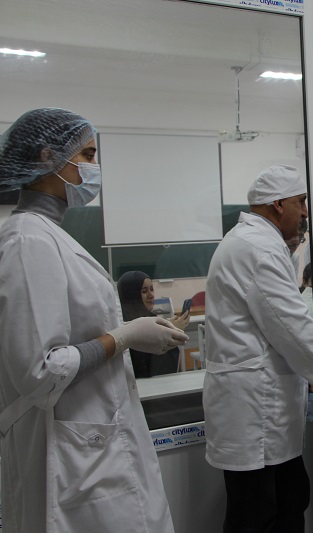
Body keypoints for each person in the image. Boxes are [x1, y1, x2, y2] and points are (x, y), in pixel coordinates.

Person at [0, 107, 188, 532]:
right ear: (48, 157)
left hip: (93, 445)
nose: (94, 166)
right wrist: (124, 337)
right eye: (87, 154)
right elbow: (41, 372)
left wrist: (129, 336)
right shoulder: (28, 241)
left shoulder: (51, 236)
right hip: (66, 455)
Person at [202, 164, 313, 533]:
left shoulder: (248, 242)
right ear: (277, 204)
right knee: (259, 517)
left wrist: (310, 377)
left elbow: (271, 332)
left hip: (257, 408)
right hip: (254, 413)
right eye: (301, 202)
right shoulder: (259, 249)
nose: (305, 212)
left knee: (289, 500)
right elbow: (295, 331)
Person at [117, 270, 191, 377]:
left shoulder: (151, 318)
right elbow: (151, 366)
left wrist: (168, 329)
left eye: (152, 289)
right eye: (144, 291)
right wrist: (171, 332)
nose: (151, 295)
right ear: (132, 295)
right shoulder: (123, 326)